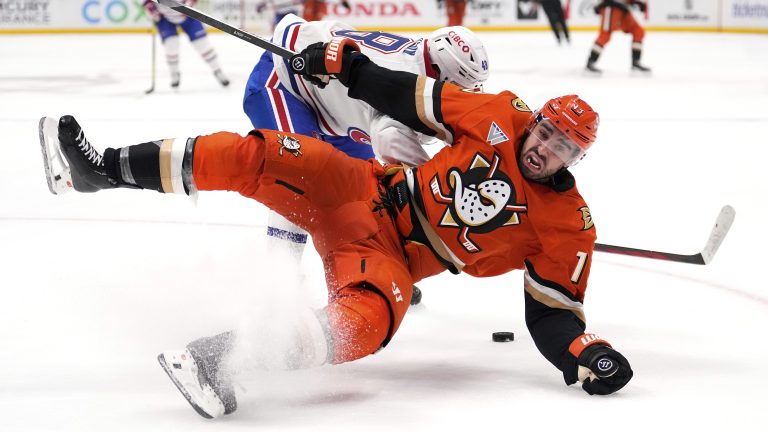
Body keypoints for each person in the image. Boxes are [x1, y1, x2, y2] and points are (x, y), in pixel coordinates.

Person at [40, 38, 633, 419]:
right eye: (548, 134)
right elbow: (410, 95)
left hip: (392, 261)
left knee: (371, 323)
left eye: (564, 149)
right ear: (538, 123)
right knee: (262, 154)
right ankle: (103, 170)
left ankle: (220, 359)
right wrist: (347, 66)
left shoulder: (567, 226)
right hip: (361, 190)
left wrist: (584, 351)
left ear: (576, 160)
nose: (546, 151)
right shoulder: (499, 113)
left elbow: (553, 313)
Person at [243, 14, 490, 281]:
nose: (468, 93)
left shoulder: (423, 66)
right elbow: (388, 136)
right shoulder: (405, 78)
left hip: (337, 113)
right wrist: (432, 184)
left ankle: (361, 277)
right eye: (463, 84)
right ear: (440, 72)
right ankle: (280, 282)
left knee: (361, 196)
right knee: (299, 179)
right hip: (283, 82)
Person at [143, 0, 231, 88]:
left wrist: (188, 6)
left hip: (187, 15)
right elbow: (147, 2)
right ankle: (174, 73)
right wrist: (153, 11)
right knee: (171, 45)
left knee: (202, 44)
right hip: (165, 18)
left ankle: (217, 70)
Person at [586, 0, 650, 74]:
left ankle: (636, 62)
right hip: (610, 5)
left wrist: (634, 2)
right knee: (605, 35)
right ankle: (591, 61)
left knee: (638, 31)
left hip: (622, 8)